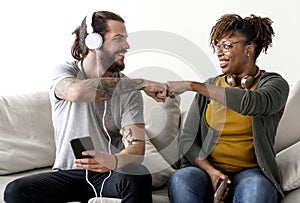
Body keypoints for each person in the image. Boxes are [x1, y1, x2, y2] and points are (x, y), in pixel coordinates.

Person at [4, 10, 167, 203]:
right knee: (15, 190)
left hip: (108, 174)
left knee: (138, 174)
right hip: (68, 173)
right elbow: (76, 92)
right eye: (118, 38)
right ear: (93, 43)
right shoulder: (64, 72)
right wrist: (141, 83)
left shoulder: (129, 90)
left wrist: (114, 161)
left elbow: (137, 150)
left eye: (125, 38)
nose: (126, 45)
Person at [167, 14, 289, 203]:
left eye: (226, 45)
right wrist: (211, 172)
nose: (218, 52)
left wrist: (192, 85)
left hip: (251, 173)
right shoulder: (210, 86)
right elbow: (188, 141)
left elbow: (253, 102)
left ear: (248, 49)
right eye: (217, 46)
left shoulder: (274, 85)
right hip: (207, 172)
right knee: (181, 179)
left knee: (256, 189)